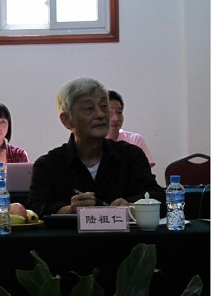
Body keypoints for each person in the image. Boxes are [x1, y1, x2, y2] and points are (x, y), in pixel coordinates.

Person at [27, 77, 165, 218]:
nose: (100, 115)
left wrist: (131, 206)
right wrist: (69, 211)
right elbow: (34, 210)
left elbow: (158, 196)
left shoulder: (131, 155)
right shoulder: (48, 165)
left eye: (104, 107)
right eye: (89, 109)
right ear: (67, 120)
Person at [106, 90, 156, 167]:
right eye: (109, 113)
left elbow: (144, 170)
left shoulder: (134, 140)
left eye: (119, 112)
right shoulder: (91, 143)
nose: (116, 118)